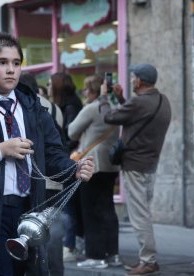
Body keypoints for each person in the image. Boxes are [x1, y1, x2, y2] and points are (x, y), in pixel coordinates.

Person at [0, 32, 95, 276]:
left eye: (16, 63)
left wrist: (73, 169)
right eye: (1, 63)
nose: (10, 70)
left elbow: (53, 153)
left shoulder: (34, 108)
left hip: (30, 209)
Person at [99, 64, 171, 275]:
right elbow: (135, 116)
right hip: (151, 164)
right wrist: (122, 99)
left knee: (139, 216)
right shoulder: (162, 100)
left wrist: (104, 97)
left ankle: (148, 260)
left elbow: (109, 117)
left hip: (135, 165)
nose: (131, 80)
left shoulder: (139, 102)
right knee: (144, 211)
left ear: (140, 81)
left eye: (133, 77)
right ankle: (148, 258)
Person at [68, 74, 121, 269]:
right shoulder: (113, 108)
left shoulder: (91, 109)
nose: (83, 93)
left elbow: (71, 131)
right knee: (107, 209)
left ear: (92, 91)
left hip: (93, 164)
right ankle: (113, 254)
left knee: (91, 211)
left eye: (85, 90)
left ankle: (95, 256)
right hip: (111, 164)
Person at [19, 71, 65, 276]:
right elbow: (60, 140)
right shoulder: (54, 108)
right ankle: (53, 270)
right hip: (55, 179)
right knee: (50, 231)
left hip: (33, 178)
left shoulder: (22, 107)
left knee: (28, 230)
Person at [48, 72, 83, 262]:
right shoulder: (67, 105)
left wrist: (61, 156)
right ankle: (71, 243)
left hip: (69, 160)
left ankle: (70, 245)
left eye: (50, 84)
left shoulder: (70, 106)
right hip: (67, 159)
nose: (48, 87)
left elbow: (71, 135)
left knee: (68, 204)